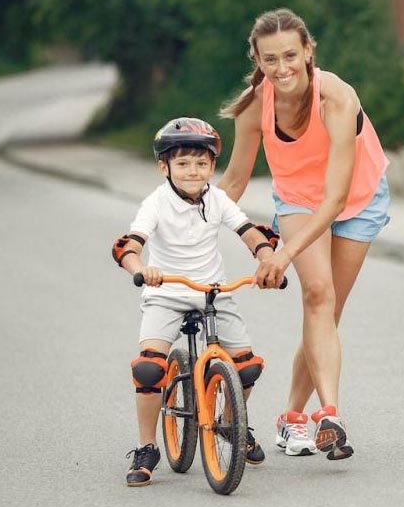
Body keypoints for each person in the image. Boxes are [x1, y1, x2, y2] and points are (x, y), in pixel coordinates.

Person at [218, 8, 391, 461]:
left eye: (291, 55)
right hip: (297, 197)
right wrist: (180, 217)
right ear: (257, 59)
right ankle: (330, 414)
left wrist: (279, 254)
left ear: (309, 50)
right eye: (270, 59)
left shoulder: (335, 97)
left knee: (328, 312)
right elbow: (234, 182)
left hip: (356, 197)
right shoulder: (255, 105)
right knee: (317, 295)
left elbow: (335, 199)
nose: (282, 68)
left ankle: (292, 415)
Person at [112, 117, 280, 486]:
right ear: (164, 167)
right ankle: (146, 446)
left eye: (202, 164)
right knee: (149, 369)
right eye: (183, 163)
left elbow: (249, 232)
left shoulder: (217, 199)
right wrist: (142, 269)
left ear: (212, 166)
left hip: (213, 291)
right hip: (166, 292)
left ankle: (229, 420)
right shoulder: (155, 203)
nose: (193, 171)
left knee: (247, 366)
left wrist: (268, 259)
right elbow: (130, 244)